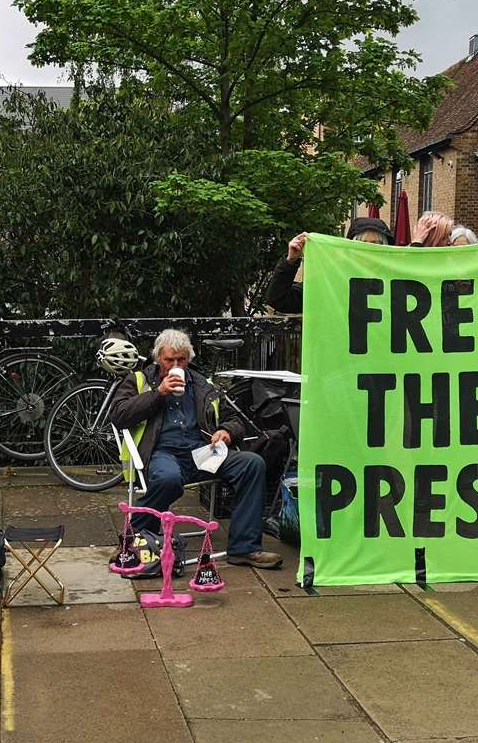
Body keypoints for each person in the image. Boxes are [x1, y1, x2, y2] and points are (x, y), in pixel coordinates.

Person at [109, 330, 278, 572]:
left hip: (202, 452)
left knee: (252, 463)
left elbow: (235, 418)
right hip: (162, 452)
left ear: (189, 358)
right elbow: (119, 415)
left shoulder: (201, 384)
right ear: (158, 359)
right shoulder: (139, 380)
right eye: (170, 360)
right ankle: (133, 536)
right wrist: (159, 393)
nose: (176, 366)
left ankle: (245, 548)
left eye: (182, 360)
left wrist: (226, 431)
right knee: (169, 479)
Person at [266, 216, 396, 314]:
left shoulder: (398, 282)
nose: (368, 249)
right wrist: (291, 261)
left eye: (375, 244)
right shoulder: (331, 282)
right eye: (362, 244)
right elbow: (279, 299)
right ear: (350, 248)